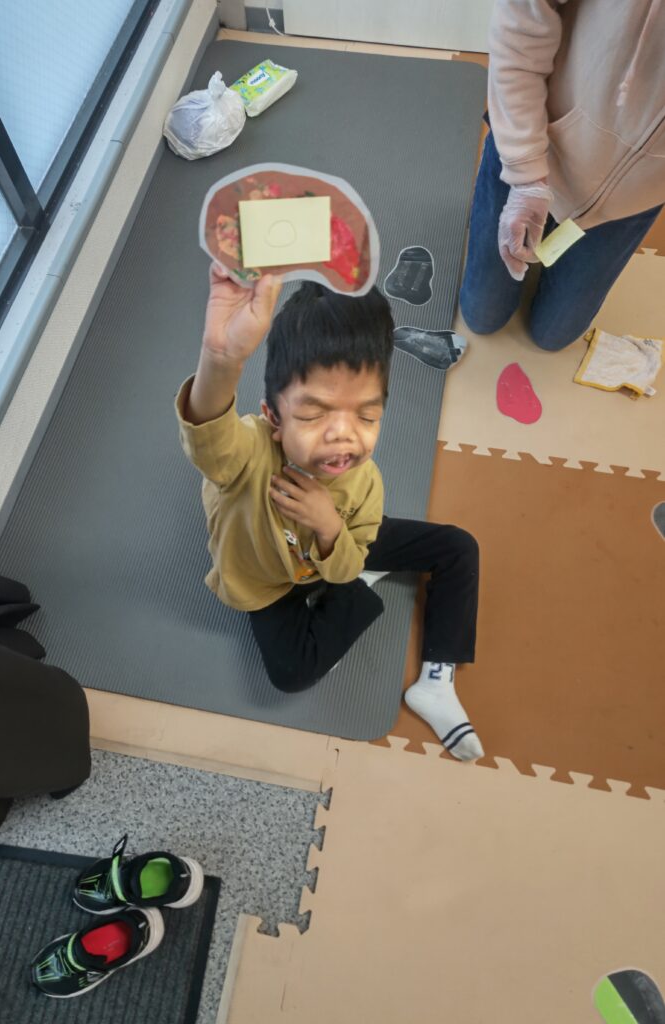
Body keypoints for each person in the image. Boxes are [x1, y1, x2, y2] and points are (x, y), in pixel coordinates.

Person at [175, 266, 482, 761]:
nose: (344, 435)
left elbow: (347, 563)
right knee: (291, 674)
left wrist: (329, 526)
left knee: (458, 546)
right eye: (314, 414)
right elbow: (208, 437)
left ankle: (436, 680)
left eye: (367, 415)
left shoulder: (364, 482)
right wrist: (221, 357)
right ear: (273, 418)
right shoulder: (247, 454)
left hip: (331, 543)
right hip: (268, 580)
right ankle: (358, 595)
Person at [460, 0, 665, 351]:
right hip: (540, 137)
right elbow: (518, 26)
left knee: (552, 337)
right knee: (481, 316)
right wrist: (525, 174)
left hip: (630, 200)